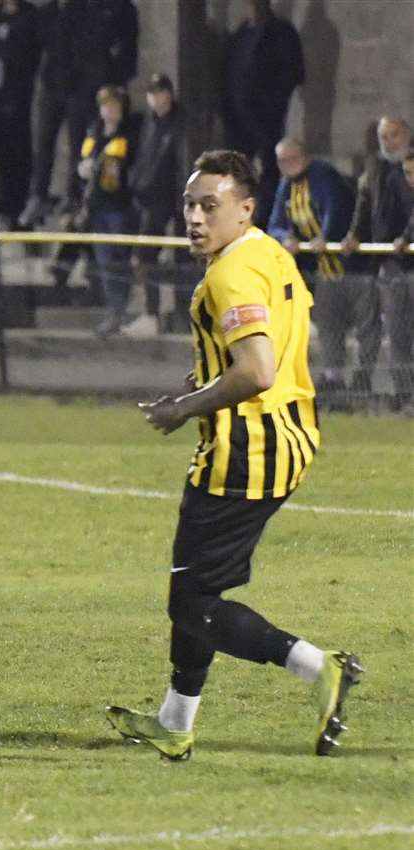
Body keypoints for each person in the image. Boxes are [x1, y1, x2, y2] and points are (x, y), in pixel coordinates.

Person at [111, 149, 361, 761]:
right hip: (288, 434)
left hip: (247, 448)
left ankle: (319, 667)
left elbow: (255, 370)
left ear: (245, 208)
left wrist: (184, 406)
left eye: (210, 206)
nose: (195, 218)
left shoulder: (230, 274)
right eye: (190, 205)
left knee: (192, 602)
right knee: (196, 586)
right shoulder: (268, 252)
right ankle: (174, 721)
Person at [21, 0, 138, 227]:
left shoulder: (88, 10)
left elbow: (105, 48)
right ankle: (38, 195)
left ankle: (73, 196)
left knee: (78, 143)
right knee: (44, 142)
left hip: (79, 86)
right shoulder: (50, 12)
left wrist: (94, 79)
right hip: (54, 84)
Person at [265, 138, 357, 394]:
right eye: (281, 161)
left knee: (365, 325)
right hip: (323, 271)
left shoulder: (323, 175)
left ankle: (363, 381)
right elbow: (275, 223)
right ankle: (333, 377)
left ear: (303, 157)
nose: (285, 166)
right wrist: (286, 238)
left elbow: (334, 208)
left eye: (289, 159)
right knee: (327, 323)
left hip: (352, 266)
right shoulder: (286, 185)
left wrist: (325, 236)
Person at [341, 116, 414, 410]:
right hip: (390, 263)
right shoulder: (375, 170)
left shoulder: (406, 169)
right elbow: (365, 207)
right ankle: (404, 394)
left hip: (405, 256)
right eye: (384, 137)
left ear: (407, 134)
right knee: (396, 335)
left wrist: (406, 236)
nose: (388, 142)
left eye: (394, 135)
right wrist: (354, 235)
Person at [220, 0, 304, 220]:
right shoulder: (239, 36)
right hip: (239, 120)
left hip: (267, 118)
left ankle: (265, 221)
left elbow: (293, 71)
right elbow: (227, 76)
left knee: (269, 172)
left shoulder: (281, 33)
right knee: (238, 173)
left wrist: (272, 100)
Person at [76, 85, 141, 337]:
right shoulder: (93, 133)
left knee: (118, 260)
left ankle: (121, 310)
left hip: (119, 207)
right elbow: (81, 165)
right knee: (104, 262)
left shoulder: (129, 136)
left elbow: (128, 169)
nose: (110, 111)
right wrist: (83, 171)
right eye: (106, 106)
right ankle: (113, 311)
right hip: (96, 206)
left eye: (114, 106)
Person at [130, 74, 190, 333]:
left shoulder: (181, 124)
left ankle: (185, 314)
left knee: (183, 256)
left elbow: (183, 163)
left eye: (159, 92)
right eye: (151, 93)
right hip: (151, 198)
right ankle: (151, 313)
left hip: (175, 198)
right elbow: (145, 157)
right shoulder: (150, 123)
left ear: (169, 93)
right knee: (145, 253)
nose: (155, 98)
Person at [0, 0, 42, 225]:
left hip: (16, 93)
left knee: (16, 151)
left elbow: (31, 51)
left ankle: (16, 202)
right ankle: (0, 200)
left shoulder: (28, 15)